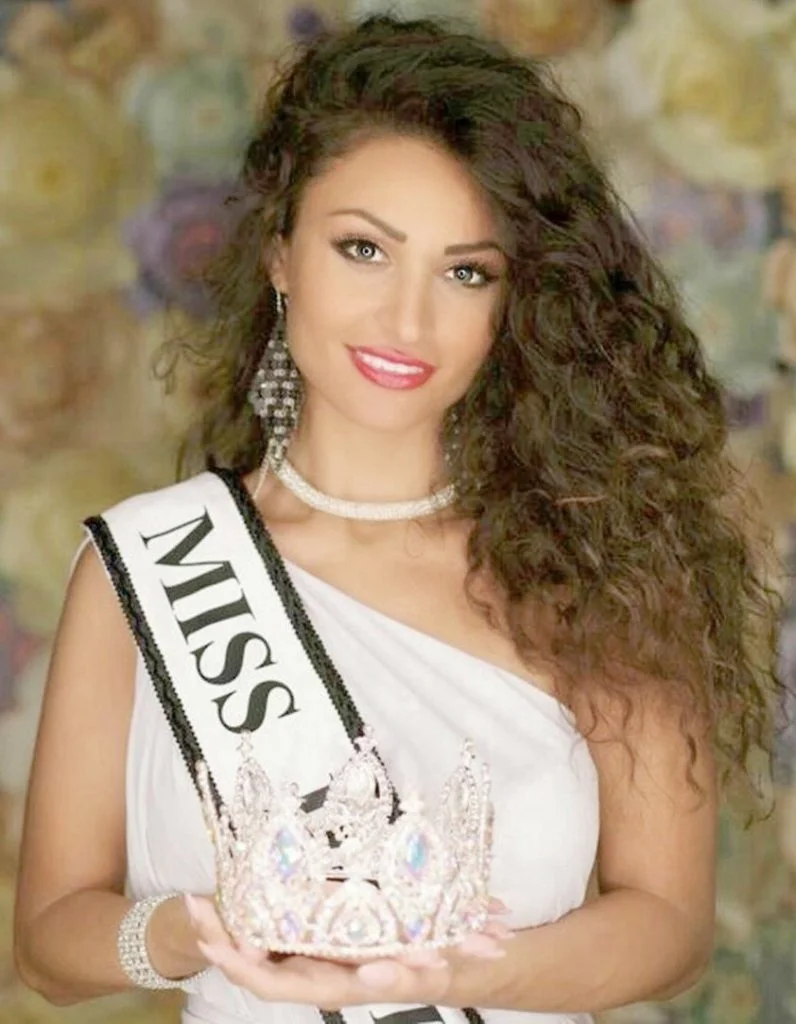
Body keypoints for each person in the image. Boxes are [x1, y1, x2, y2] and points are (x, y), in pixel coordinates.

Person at [12, 12, 784, 1024]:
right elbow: (50, 942)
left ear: (514, 301)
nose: (407, 320)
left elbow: (667, 926)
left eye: (465, 272)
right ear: (282, 254)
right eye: (363, 249)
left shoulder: (597, 567)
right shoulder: (150, 564)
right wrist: (193, 930)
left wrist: (454, 973)